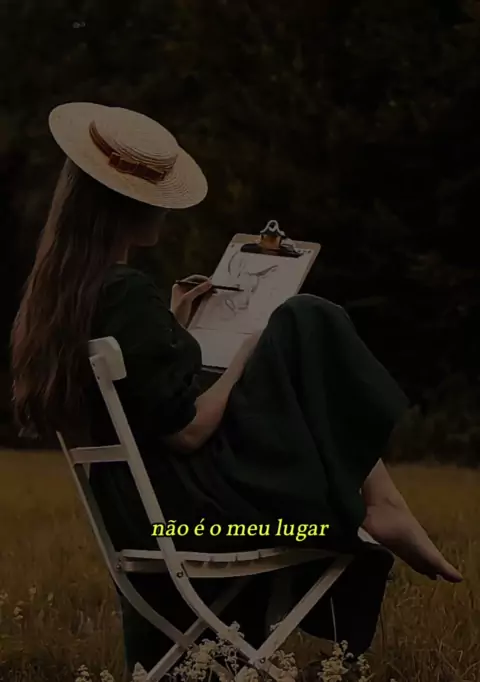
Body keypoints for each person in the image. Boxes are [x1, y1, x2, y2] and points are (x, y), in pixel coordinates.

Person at [11, 103, 462, 675]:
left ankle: (382, 504)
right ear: (123, 206)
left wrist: (170, 322)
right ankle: (382, 504)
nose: (164, 210)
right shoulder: (124, 293)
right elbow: (187, 433)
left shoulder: (63, 300)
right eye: (155, 198)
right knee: (305, 318)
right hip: (196, 525)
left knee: (297, 331)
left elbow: (144, 404)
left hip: (139, 517)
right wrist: (245, 355)